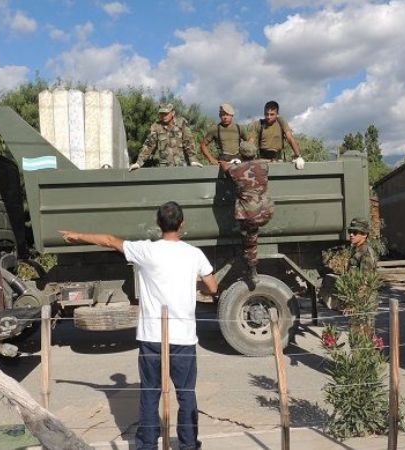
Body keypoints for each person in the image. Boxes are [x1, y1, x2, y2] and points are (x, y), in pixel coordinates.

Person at [58, 201, 217, 450]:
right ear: (182, 224)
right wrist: (193, 285)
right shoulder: (194, 254)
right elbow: (213, 286)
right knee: (186, 395)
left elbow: (110, 240)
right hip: (183, 338)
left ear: (158, 224)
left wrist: (77, 235)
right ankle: (188, 445)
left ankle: (147, 445)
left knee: (150, 393)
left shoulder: (146, 251)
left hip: (152, 336)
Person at [219, 142, 274, 283]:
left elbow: (225, 167)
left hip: (250, 213)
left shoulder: (236, 169)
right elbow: (265, 161)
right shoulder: (264, 165)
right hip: (266, 211)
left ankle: (252, 270)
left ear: (241, 154)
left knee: (250, 242)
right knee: (252, 234)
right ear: (255, 153)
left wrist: (225, 160)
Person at [130, 103, 202, 170]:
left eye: (166, 114)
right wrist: (138, 163)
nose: (163, 116)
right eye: (161, 114)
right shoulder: (156, 126)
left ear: (173, 113)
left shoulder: (181, 123)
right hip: (164, 168)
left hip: (182, 166)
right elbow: (149, 145)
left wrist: (193, 160)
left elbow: (188, 142)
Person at [247, 100, 305, 169]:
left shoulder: (281, 121)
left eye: (272, 114)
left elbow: (290, 138)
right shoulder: (259, 124)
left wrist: (298, 156)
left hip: (277, 160)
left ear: (277, 114)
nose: (268, 117)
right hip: (262, 160)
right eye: (266, 114)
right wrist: (247, 156)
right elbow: (250, 142)